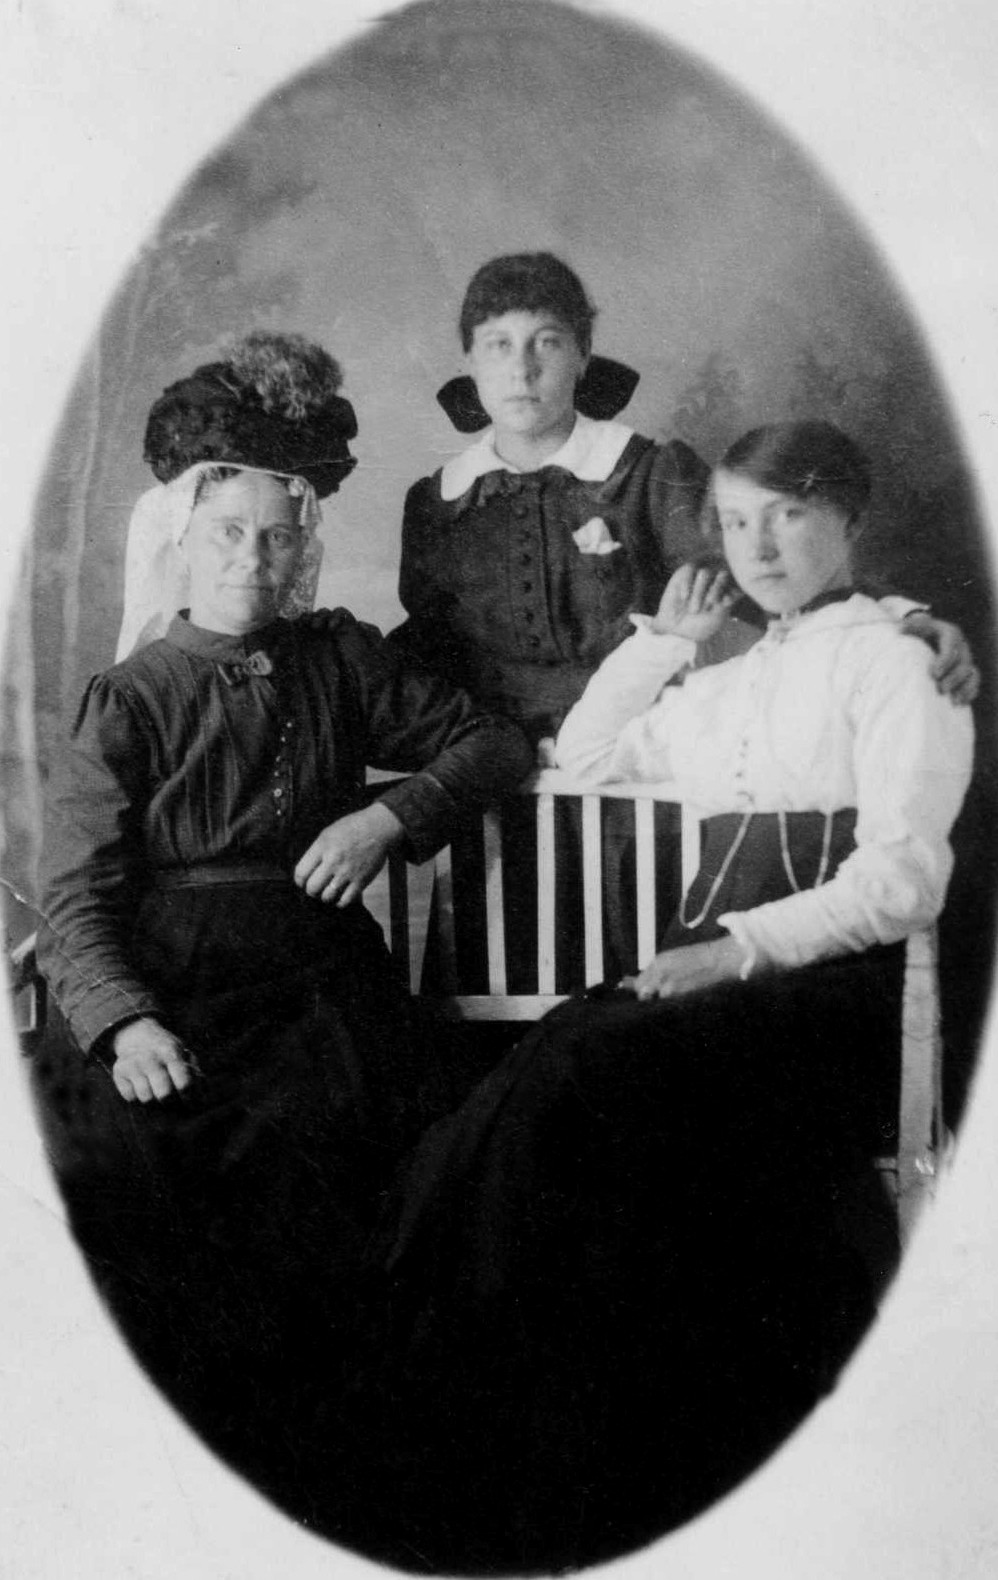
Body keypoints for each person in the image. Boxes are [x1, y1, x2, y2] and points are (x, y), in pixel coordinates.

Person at [354, 420, 975, 1572]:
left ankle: (447, 1365)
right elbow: (583, 759)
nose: (758, 546)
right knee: (563, 1047)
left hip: (834, 994)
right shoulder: (730, 678)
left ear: (846, 519)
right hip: (711, 989)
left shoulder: (900, 664)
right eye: (734, 522)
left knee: (582, 1060)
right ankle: (482, 1404)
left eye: (786, 514)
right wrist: (661, 644)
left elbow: (901, 882)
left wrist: (731, 948)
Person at [29, 332, 533, 1535]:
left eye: (274, 538)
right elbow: (76, 897)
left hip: (322, 979)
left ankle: (370, 1472)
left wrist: (385, 818)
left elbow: (491, 743)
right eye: (226, 534)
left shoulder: (339, 657)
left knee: (383, 1171)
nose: (252, 560)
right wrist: (125, 1022)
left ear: (302, 545)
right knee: (140, 1162)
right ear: (180, 540)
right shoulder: (128, 698)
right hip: (178, 986)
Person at [390, 251, 979, 989]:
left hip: (627, 793)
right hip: (497, 796)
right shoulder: (438, 500)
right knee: (486, 991)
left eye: (547, 342)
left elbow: (764, 574)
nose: (523, 369)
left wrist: (898, 619)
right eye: (498, 345)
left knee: (633, 990)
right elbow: (424, 643)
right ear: (469, 363)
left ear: (583, 356)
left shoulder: (648, 471)